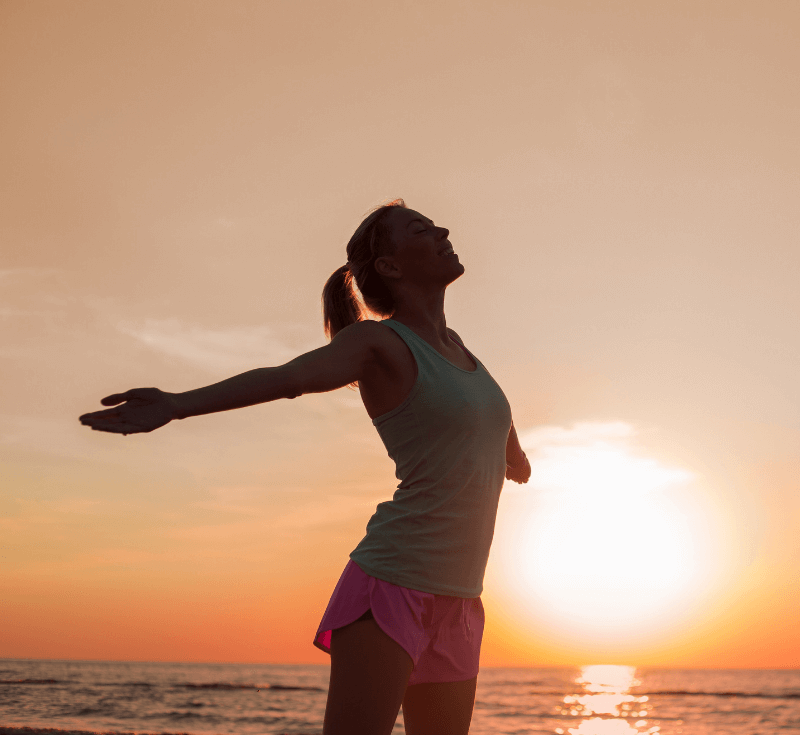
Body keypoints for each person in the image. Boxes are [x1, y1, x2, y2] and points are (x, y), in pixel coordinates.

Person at [79, 198, 532, 735]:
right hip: (392, 584)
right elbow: (287, 378)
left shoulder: (459, 350)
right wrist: (178, 404)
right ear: (389, 266)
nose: (443, 230)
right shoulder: (376, 343)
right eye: (421, 228)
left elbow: (485, 409)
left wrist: (513, 451)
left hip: (460, 601)